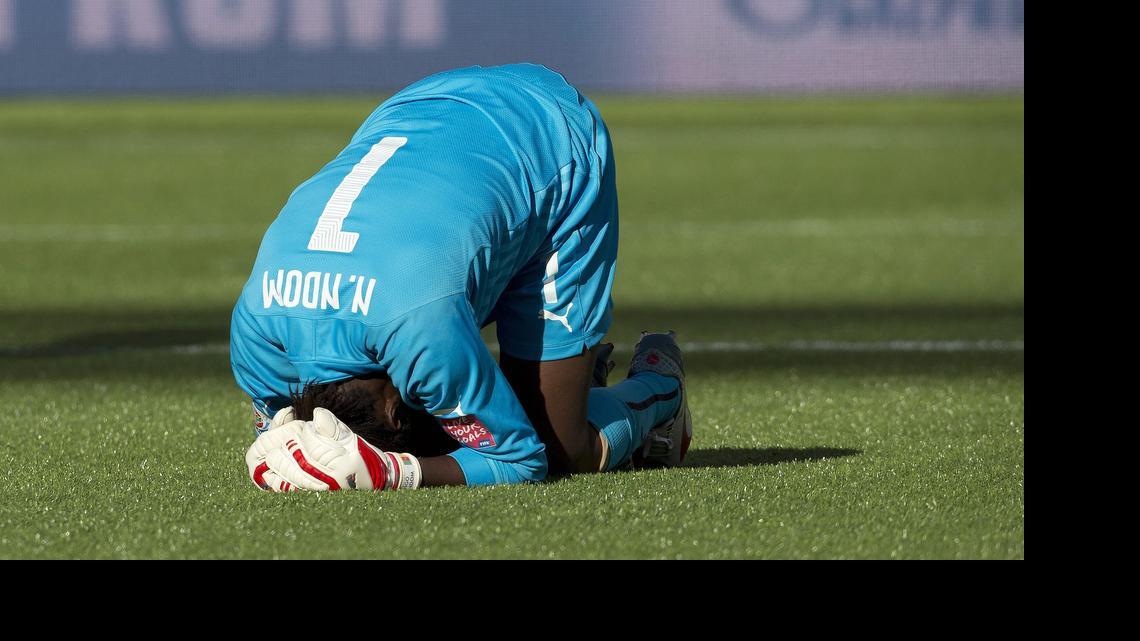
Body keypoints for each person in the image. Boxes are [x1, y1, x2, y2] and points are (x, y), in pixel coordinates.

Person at [231, 64, 691, 492]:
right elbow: (291, 439)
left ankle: (661, 383)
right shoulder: (256, 337)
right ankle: (574, 375)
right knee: (502, 409)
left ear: (395, 412)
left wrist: (398, 470)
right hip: (417, 105)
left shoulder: (418, 332)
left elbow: (522, 460)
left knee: (563, 448)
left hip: (549, 136)